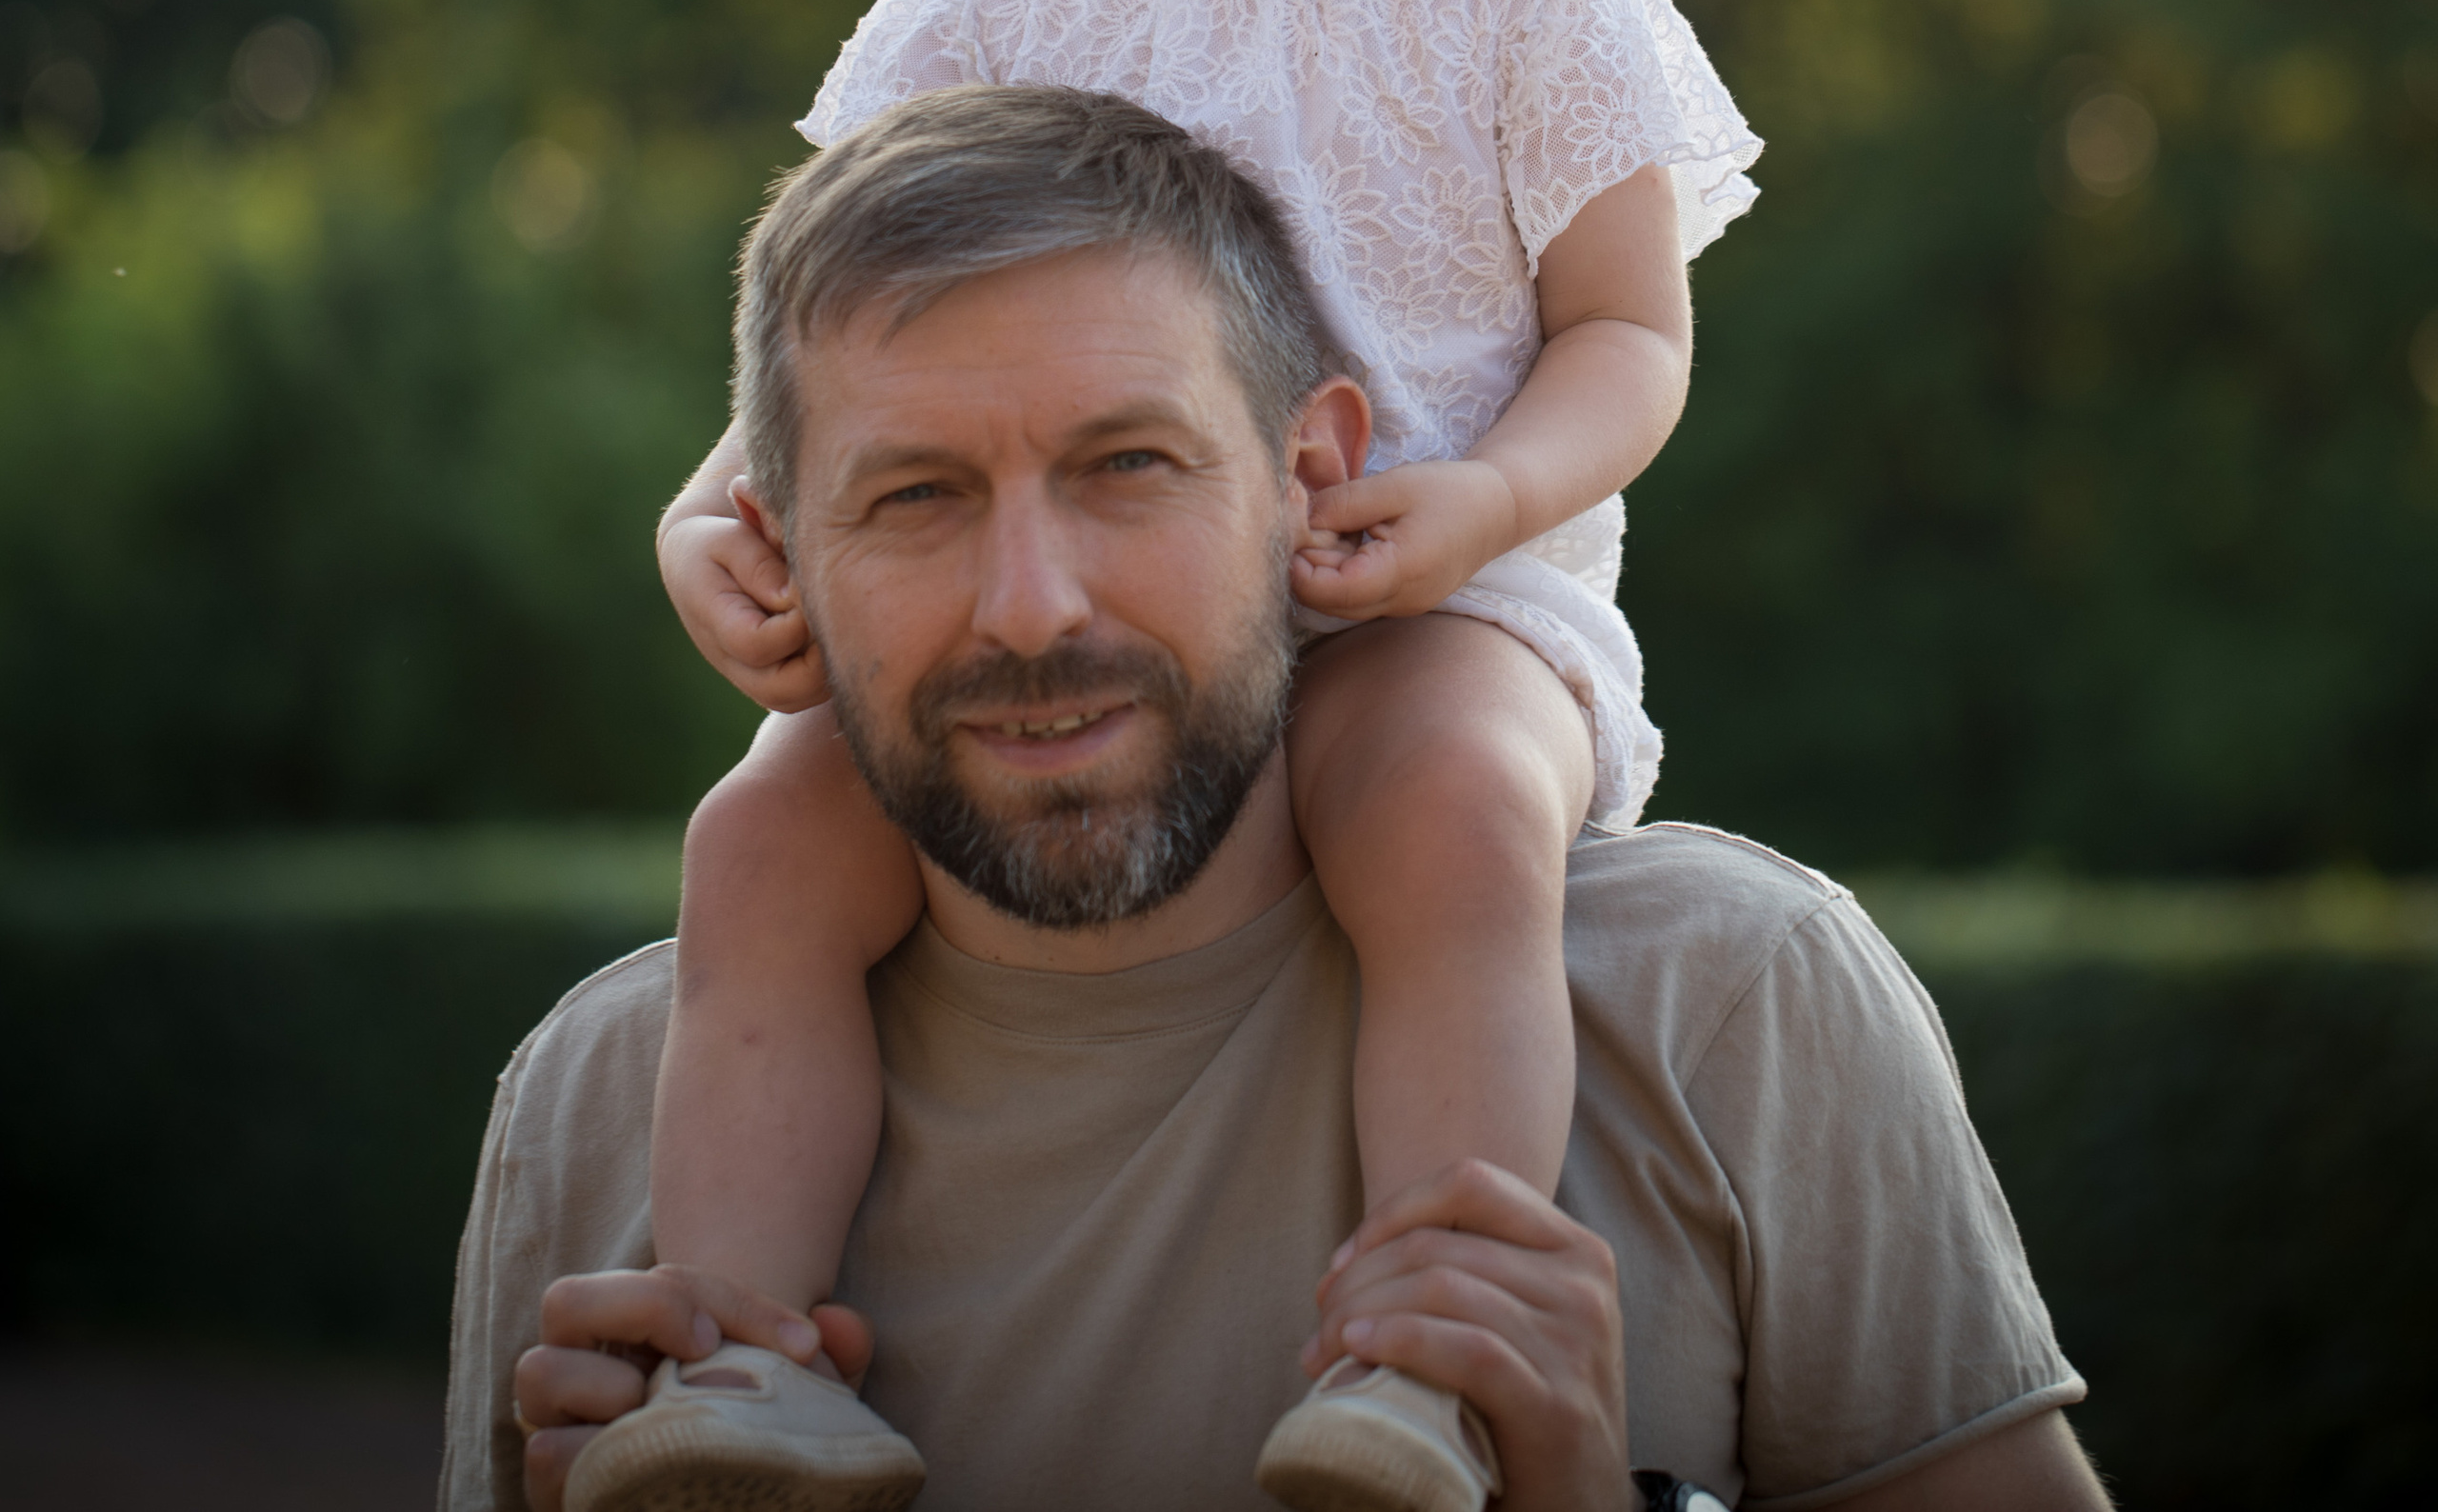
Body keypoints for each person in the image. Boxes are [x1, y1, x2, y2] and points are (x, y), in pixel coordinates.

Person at [629, 0, 1763, 1512]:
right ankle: (735, 1362)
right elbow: (835, 331)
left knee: (1440, 806)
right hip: (1071, 633)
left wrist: (1482, 502)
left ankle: (1424, 1354)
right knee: (761, 831)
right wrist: (713, 508)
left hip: (1440, 594)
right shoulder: (990, 6)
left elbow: (1630, 332)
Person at [445, 88, 2108, 1512]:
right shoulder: (600, 1101)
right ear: (776, 540)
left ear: (1311, 476)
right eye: (915, 496)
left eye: (1130, 467)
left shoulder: (1733, 1006)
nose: (1031, 606)